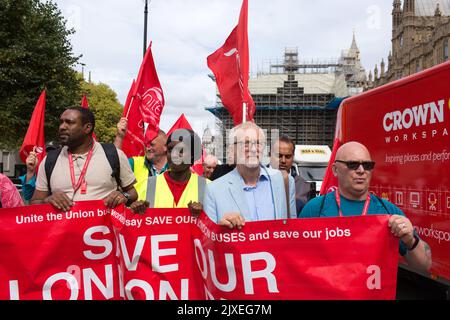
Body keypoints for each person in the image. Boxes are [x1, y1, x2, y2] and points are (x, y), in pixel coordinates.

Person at [300, 141, 432, 272]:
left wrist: (410, 240)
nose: (361, 171)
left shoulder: (388, 211)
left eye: (367, 165)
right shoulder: (315, 209)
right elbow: (296, 259)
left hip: (374, 292)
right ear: (335, 170)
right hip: (328, 291)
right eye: (353, 165)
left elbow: (424, 265)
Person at [31, 107, 138, 211]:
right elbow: (35, 202)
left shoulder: (114, 154)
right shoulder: (49, 160)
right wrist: (47, 200)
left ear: (87, 128)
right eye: (61, 122)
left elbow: (132, 193)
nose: (62, 127)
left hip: (103, 228)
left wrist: (123, 195)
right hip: (63, 228)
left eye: (69, 122)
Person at [203, 122, 297, 229]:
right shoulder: (213, 190)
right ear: (233, 149)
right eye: (246, 143)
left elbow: (291, 231)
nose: (253, 149)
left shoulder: (284, 181)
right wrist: (220, 229)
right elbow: (207, 240)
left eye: (258, 143)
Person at [130, 128, 207, 213]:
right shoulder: (148, 185)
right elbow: (123, 205)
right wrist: (133, 209)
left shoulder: (209, 187)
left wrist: (205, 216)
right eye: (170, 150)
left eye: (181, 150)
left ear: (193, 155)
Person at [115, 117, 168, 200]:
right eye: (146, 144)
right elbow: (114, 164)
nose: (147, 148)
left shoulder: (176, 168)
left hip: (165, 213)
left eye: (152, 144)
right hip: (137, 212)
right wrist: (120, 136)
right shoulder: (134, 163)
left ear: (165, 147)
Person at [269, 135, 313, 215]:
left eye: (288, 156)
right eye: (279, 155)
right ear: (269, 155)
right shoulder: (256, 180)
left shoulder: (304, 187)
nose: (283, 160)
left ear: (293, 157)